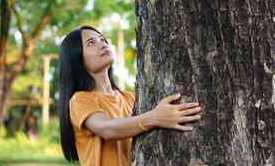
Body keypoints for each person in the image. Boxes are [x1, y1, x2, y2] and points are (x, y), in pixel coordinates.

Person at [59, 26, 201, 166]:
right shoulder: (80, 100)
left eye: (102, 39)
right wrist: (155, 117)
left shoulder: (129, 97)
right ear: (76, 58)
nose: (102, 44)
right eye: (91, 43)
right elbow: (107, 129)